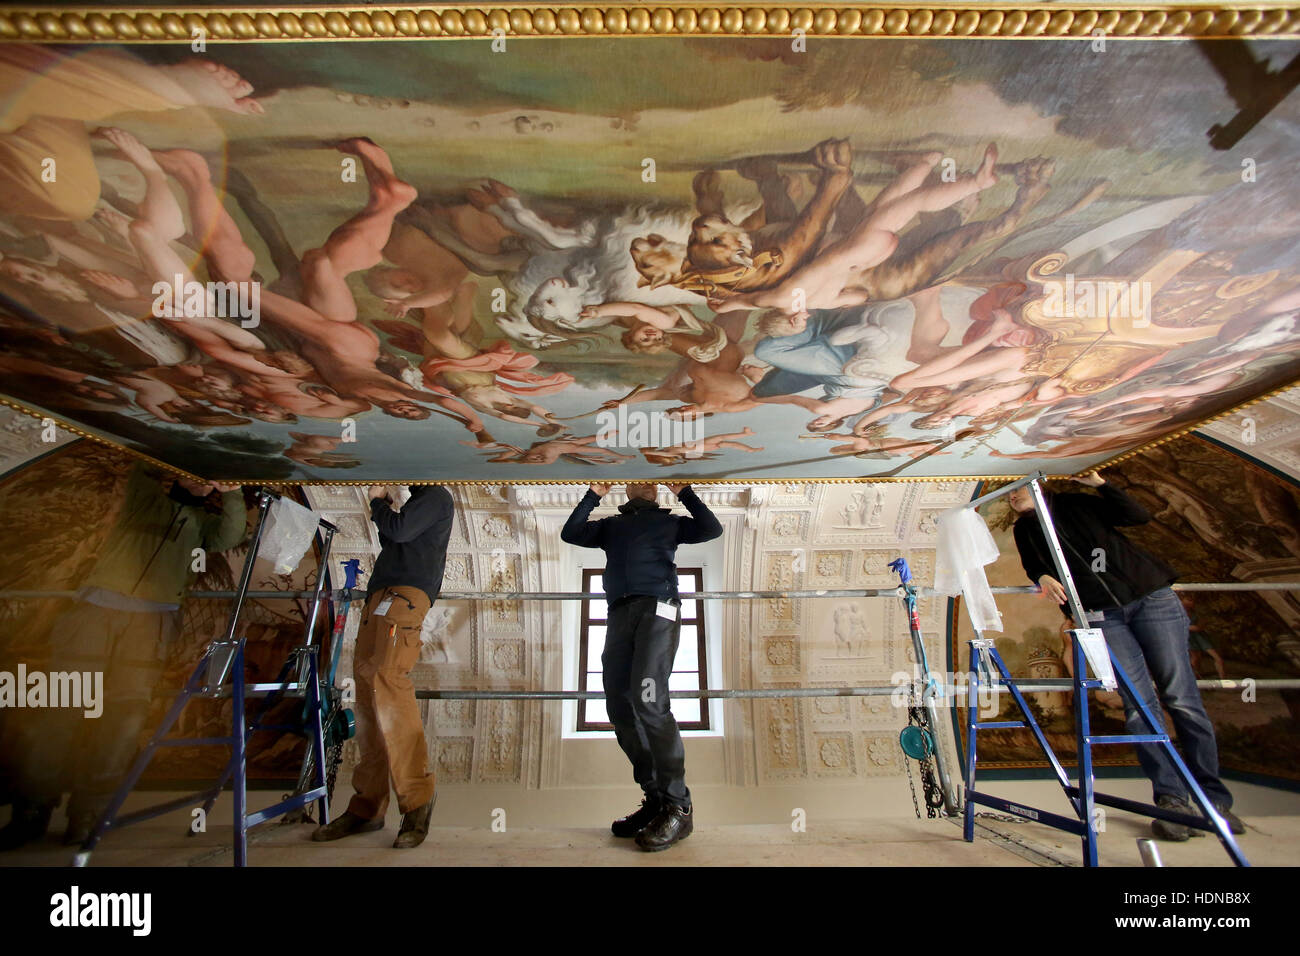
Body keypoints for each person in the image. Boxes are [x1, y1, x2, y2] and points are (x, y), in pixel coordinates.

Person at [0, 464, 246, 850]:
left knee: (121, 720)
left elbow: (232, 533)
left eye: (205, 477)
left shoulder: (201, 524)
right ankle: (30, 812)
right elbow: (142, 468)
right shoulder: (143, 500)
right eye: (191, 472)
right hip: (96, 613)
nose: (198, 478)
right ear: (175, 474)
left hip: (152, 623)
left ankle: (88, 816)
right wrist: (175, 463)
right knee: (60, 711)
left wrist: (231, 490)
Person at [1007, 470, 1245, 841]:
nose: (1010, 495)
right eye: (1007, 491)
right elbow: (1032, 563)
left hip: (1152, 600)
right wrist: (1042, 576)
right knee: (1137, 705)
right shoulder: (1025, 530)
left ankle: (1214, 802)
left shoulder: (1075, 504)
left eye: (1017, 487)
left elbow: (1138, 516)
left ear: (1039, 485)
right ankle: (1171, 801)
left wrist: (1100, 484)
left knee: (1181, 698)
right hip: (1102, 615)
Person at [560, 482, 722, 851]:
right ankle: (656, 800)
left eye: (653, 481)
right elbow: (571, 532)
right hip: (619, 614)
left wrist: (685, 492)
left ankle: (679, 807)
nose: (647, 484)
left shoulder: (673, 524)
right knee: (618, 705)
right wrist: (594, 494)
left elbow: (712, 528)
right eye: (639, 479)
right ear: (628, 489)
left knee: (649, 701)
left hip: (658, 611)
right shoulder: (610, 527)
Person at [313, 483, 454, 850]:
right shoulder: (415, 505)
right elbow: (398, 535)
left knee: (388, 680)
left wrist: (377, 502)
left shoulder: (437, 497)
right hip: (382, 595)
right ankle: (367, 806)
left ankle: (418, 799)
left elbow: (399, 530)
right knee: (366, 696)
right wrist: (387, 506)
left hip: (405, 597)